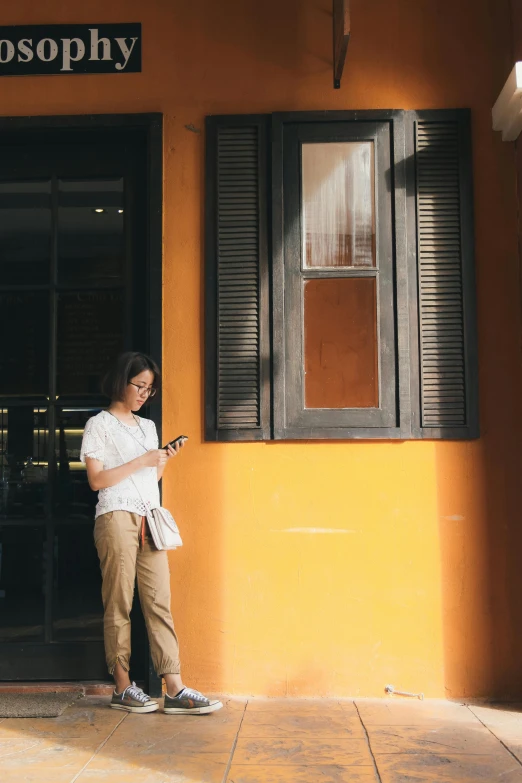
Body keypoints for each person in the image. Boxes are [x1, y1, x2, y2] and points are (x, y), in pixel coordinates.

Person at [80, 351, 222, 716]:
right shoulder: (100, 424)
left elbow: (148, 481)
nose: (144, 394)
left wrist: (161, 460)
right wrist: (141, 460)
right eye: (139, 385)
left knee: (159, 601)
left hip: (149, 518)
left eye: (150, 389)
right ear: (120, 382)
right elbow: (97, 480)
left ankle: (173, 687)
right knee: (119, 602)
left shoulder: (147, 427)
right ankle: (123, 686)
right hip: (115, 517)